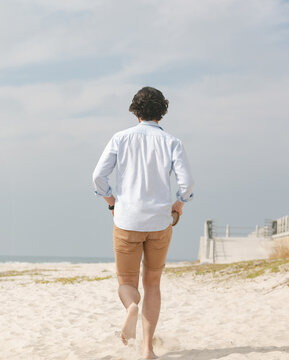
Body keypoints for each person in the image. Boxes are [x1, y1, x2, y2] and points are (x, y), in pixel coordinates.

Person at [92, 86, 195, 359]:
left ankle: (131, 309)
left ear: (135, 110)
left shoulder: (120, 138)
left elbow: (98, 177)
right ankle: (147, 348)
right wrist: (179, 204)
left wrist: (111, 201)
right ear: (162, 111)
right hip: (160, 223)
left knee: (127, 281)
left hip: (127, 220)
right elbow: (187, 183)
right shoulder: (172, 142)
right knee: (152, 283)